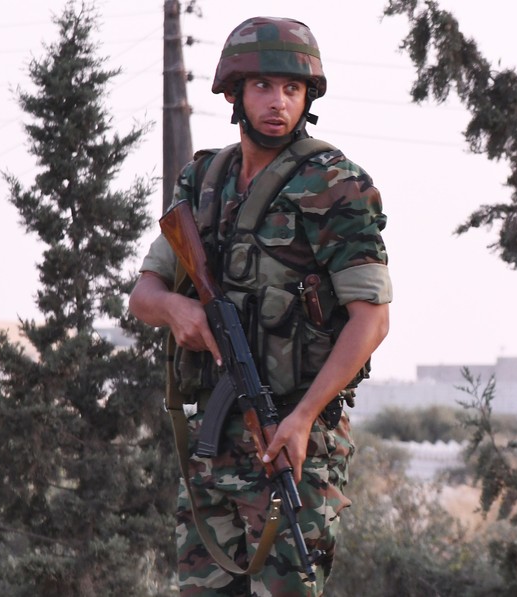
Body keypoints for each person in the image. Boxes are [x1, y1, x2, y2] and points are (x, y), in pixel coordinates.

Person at [129, 16, 392, 596]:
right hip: (213, 451)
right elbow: (144, 294)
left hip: (293, 444)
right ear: (234, 93)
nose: (278, 102)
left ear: (308, 98)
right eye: (264, 87)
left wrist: (300, 420)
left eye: (292, 89)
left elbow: (372, 320)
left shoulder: (335, 186)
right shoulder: (203, 179)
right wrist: (180, 313)